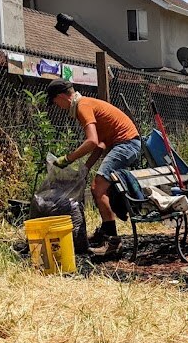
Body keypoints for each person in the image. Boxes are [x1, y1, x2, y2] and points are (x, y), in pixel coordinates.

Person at [46, 79, 141, 255]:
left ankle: (113, 242)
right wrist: (86, 168)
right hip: (126, 143)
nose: (57, 106)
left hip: (126, 144)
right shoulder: (85, 103)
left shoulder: (83, 106)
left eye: (54, 102)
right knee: (98, 187)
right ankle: (106, 233)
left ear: (61, 97)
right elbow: (101, 144)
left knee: (98, 188)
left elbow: (91, 141)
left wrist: (67, 159)